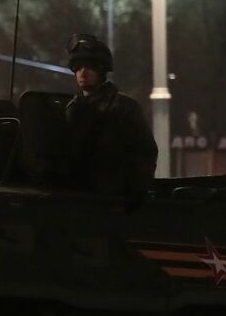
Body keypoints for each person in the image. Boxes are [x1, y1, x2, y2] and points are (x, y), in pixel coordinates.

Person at [63, 34, 158, 197]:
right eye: (77, 67)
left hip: (114, 202)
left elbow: (145, 155)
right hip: (78, 200)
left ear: (101, 70)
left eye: (89, 66)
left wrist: (130, 197)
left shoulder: (124, 107)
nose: (82, 72)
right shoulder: (71, 108)